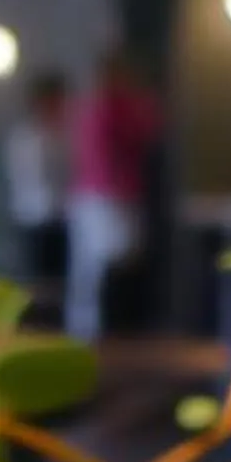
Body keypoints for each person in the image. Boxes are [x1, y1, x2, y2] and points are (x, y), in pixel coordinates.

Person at [66, 49, 160, 341]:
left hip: (103, 196)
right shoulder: (107, 107)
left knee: (100, 270)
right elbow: (148, 128)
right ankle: (105, 335)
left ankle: (102, 333)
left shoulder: (95, 106)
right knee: (108, 267)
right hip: (107, 196)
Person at [4, 75, 72, 290]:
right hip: (32, 217)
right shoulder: (24, 137)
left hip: (63, 217)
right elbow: (27, 178)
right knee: (35, 282)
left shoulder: (65, 135)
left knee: (61, 281)